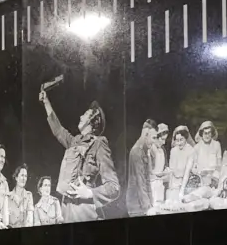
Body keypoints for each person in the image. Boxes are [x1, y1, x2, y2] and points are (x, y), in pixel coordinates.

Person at [39, 88, 120, 222]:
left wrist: (90, 193)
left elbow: (114, 187)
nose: (80, 116)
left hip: (84, 210)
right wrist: (46, 102)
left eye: (85, 114)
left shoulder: (99, 144)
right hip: (66, 207)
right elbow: (58, 130)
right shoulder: (75, 141)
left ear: (93, 121)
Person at [126, 120, 158, 216]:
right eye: (153, 137)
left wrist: (151, 203)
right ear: (145, 134)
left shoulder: (145, 151)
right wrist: (147, 207)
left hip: (142, 204)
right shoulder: (137, 152)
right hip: (136, 206)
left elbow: (147, 179)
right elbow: (140, 182)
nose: (154, 141)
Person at [164, 126, 193, 204]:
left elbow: (187, 172)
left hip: (186, 183)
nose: (179, 143)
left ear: (186, 139)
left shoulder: (190, 150)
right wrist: (170, 188)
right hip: (174, 182)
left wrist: (182, 191)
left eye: (181, 140)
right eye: (177, 140)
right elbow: (171, 170)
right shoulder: (173, 151)